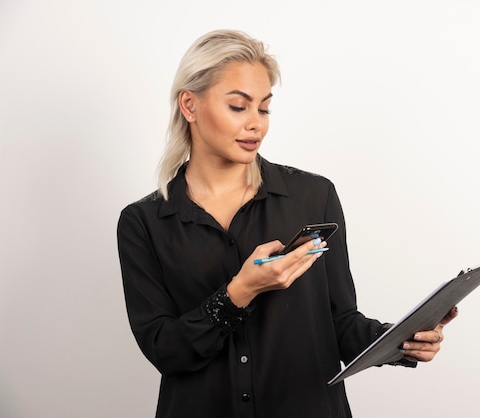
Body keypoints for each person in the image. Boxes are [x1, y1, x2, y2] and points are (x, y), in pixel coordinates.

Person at [117, 29, 458, 418]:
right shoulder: (143, 222)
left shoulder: (313, 197)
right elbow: (166, 351)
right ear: (190, 105)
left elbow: (340, 323)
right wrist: (238, 292)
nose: (256, 125)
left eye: (263, 108)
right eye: (238, 106)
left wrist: (401, 341)